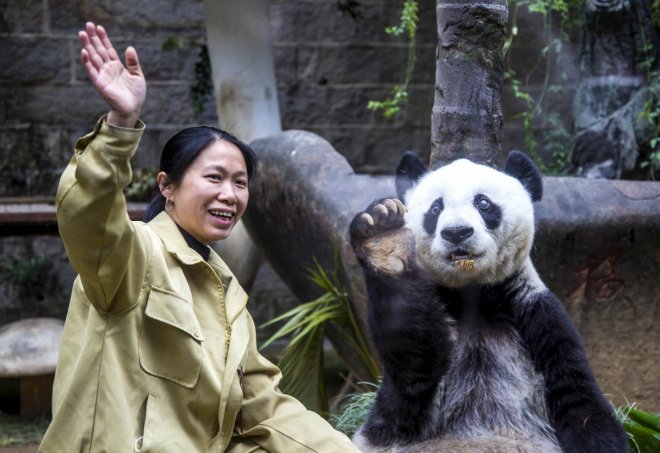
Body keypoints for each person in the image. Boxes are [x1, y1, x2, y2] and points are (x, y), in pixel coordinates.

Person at [40, 22, 360, 453]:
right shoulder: (130, 256)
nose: (230, 194)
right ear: (167, 187)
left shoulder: (230, 299)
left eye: (241, 183)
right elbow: (88, 212)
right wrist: (119, 125)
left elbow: (266, 409)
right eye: (214, 177)